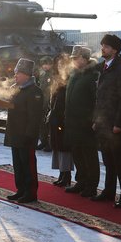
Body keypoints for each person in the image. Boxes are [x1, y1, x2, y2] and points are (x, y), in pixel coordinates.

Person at [92, 34, 121, 208]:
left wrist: (118, 124)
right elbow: (99, 97)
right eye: (102, 45)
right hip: (103, 121)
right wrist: (96, 120)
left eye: (106, 46)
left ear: (114, 50)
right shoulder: (104, 67)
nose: (102, 49)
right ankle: (109, 191)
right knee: (108, 159)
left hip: (114, 123)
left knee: (120, 161)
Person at [4, 58, 43, 203]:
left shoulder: (34, 92)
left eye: (18, 74)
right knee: (18, 164)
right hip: (15, 133)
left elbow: (35, 117)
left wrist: (30, 135)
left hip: (26, 135)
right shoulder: (17, 89)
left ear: (26, 74)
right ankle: (20, 190)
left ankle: (31, 192)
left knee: (28, 165)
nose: (15, 76)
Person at [64, 46, 100, 198]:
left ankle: (91, 185)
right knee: (77, 153)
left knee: (89, 155)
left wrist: (95, 119)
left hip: (86, 123)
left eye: (76, 58)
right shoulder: (74, 74)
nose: (73, 61)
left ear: (85, 59)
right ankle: (81, 181)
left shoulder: (93, 76)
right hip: (73, 121)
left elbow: (97, 100)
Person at [49, 54, 74, 187]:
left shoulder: (68, 79)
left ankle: (66, 175)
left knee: (64, 148)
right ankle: (61, 174)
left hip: (63, 119)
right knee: (57, 147)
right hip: (55, 118)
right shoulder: (57, 79)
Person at [36, 56, 53, 152]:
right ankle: (43, 141)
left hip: (48, 101)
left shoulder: (52, 75)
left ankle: (49, 143)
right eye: (43, 64)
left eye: (46, 64)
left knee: (47, 124)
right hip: (42, 100)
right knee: (41, 123)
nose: (44, 66)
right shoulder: (43, 74)